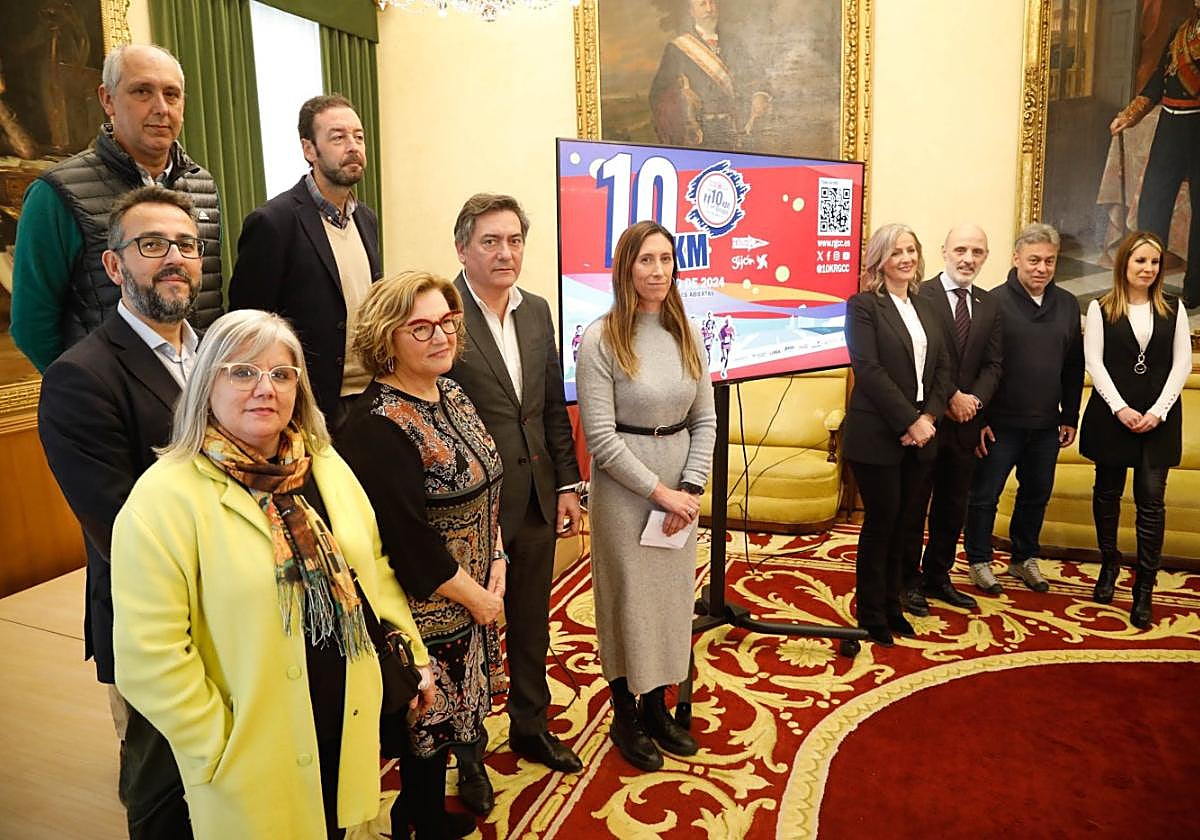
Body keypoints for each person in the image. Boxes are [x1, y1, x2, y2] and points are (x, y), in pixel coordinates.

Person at [110, 309, 432, 840]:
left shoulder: (323, 464)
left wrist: (412, 651)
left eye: (282, 374)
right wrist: (218, 744)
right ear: (207, 384)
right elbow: (150, 658)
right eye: (243, 372)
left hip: (342, 716)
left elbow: (371, 564)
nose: (266, 388)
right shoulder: (163, 499)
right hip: (253, 746)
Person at [38, 185, 204, 838]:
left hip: (245, 608)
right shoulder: (81, 377)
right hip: (158, 619)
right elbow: (121, 528)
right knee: (166, 796)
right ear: (114, 265)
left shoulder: (222, 353)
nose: (174, 258)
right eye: (152, 245)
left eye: (186, 245)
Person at [338, 271, 506, 839]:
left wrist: (498, 560)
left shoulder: (450, 391)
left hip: (474, 597)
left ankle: (421, 812)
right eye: (422, 327)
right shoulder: (376, 424)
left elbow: (487, 481)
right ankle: (422, 820)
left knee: (453, 724)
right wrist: (478, 598)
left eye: (448, 322)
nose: (442, 337)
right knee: (424, 732)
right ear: (387, 337)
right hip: (425, 618)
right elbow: (408, 545)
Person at [444, 193, 584, 814]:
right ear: (463, 249)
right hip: (471, 506)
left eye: (514, 241)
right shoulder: (444, 315)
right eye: (491, 241)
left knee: (531, 620)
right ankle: (468, 753)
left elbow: (550, 407)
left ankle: (530, 723)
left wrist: (567, 484)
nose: (506, 253)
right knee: (470, 635)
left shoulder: (537, 311)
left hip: (534, 496)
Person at [575, 220, 717, 771]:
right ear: (625, 268)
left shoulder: (687, 333)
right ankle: (625, 715)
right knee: (626, 600)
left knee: (671, 601)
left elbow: (704, 419)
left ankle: (657, 707)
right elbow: (601, 439)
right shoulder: (601, 339)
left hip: (681, 489)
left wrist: (691, 487)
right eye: (646, 260)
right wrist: (661, 493)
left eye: (666, 260)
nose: (658, 271)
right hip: (626, 493)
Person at [11, 43, 222, 372]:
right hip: (110, 393)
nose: (161, 108)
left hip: (197, 387)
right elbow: (31, 325)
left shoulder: (202, 185)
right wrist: (87, 384)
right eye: (142, 91)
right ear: (107, 99)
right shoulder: (56, 193)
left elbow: (206, 299)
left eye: (171, 94)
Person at [229, 94, 382, 427]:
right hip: (308, 403)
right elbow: (249, 327)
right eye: (338, 138)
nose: (353, 147)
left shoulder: (366, 219)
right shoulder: (273, 222)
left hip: (369, 396)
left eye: (358, 137)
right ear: (309, 149)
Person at [843, 224, 953, 647]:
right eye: (895, 252)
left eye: (910, 250)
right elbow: (868, 370)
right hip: (878, 434)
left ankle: (893, 605)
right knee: (882, 521)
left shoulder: (927, 306)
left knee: (907, 525)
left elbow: (943, 369)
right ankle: (871, 612)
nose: (905, 258)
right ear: (880, 260)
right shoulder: (863, 306)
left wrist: (929, 418)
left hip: (922, 433)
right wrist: (910, 421)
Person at [963, 223, 1085, 595]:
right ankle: (979, 560)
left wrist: (1070, 415)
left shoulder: (1067, 304)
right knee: (985, 496)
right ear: (1016, 258)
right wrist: (980, 419)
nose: (1041, 268)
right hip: (999, 424)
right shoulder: (992, 302)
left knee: (1036, 494)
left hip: (1046, 425)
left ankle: (1023, 557)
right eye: (1034, 260)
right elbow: (977, 365)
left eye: (1049, 261)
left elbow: (1073, 365)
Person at [1081, 231, 1190, 629]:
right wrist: (1120, 408)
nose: (1148, 269)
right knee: (1107, 494)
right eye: (1140, 261)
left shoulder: (1173, 307)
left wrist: (1158, 412)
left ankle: (1144, 587)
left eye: (1154, 262)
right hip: (1112, 418)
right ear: (1124, 263)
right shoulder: (1100, 307)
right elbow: (1094, 363)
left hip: (1159, 421)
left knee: (1151, 503)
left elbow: (1182, 364)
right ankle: (1109, 564)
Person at [903, 225, 1003, 616]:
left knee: (952, 507)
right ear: (944, 251)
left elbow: (994, 364)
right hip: (926, 422)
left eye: (977, 252)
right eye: (961, 249)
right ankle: (907, 581)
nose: (968, 259)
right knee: (914, 506)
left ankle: (938, 576)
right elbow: (917, 361)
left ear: (985, 257)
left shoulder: (989, 304)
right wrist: (949, 399)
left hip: (966, 426)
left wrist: (973, 401)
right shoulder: (919, 295)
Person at [1109, 0, 1200, 308]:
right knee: (1152, 205)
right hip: (1169, 126)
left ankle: (1195, 289)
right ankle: (1147, 283)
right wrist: (1129, 115)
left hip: (1198, 126)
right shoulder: (1180, 31)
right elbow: (1157, 81)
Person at [649, 0, 771, 149]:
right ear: (691, 11)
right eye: (702, 4)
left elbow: (757, 75)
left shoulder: (734, 43)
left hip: (734, 129)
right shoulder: (676, 49)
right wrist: (681, 96)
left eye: (712, 3)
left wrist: (760, 95)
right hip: (699, 134)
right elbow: (657, 93)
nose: (709, 9)